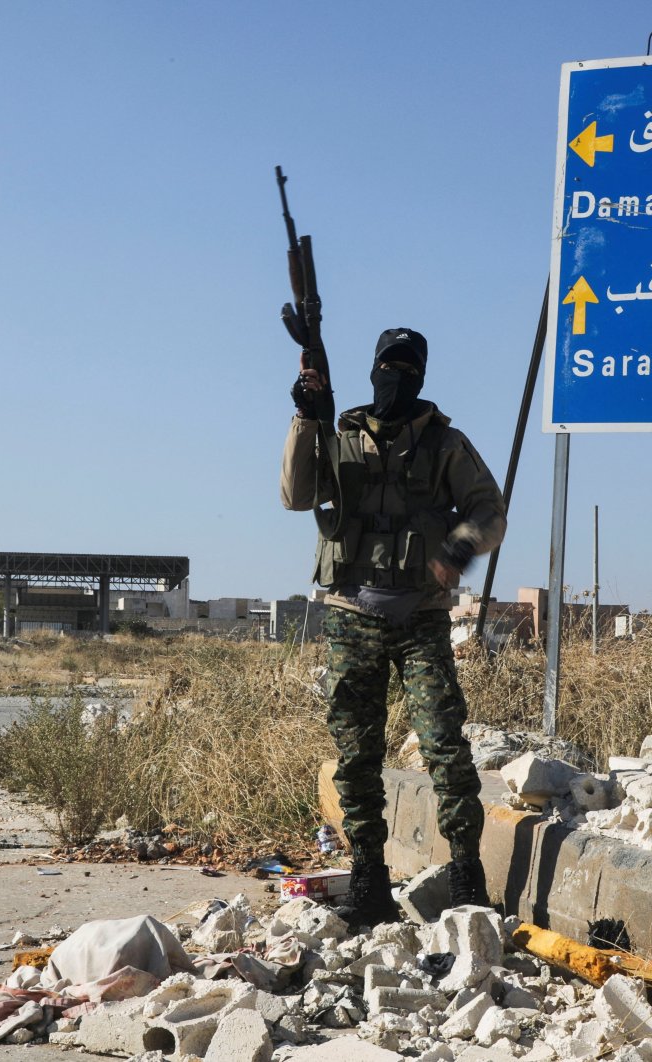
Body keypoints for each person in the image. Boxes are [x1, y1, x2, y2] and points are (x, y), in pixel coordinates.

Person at [281, 326, 507, 926]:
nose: (396, 376)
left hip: (421, 617)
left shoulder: (445, 444)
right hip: (352, 614)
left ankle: (466, 877)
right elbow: (294, 494)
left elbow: (490, 509)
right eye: (389, 364)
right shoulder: (341, 434)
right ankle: (369, 882)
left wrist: (459, 547)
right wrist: (306, 418)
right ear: (374, 368)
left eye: (408, 367)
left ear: (421, 376)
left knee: (444, 747)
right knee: (357, 756)